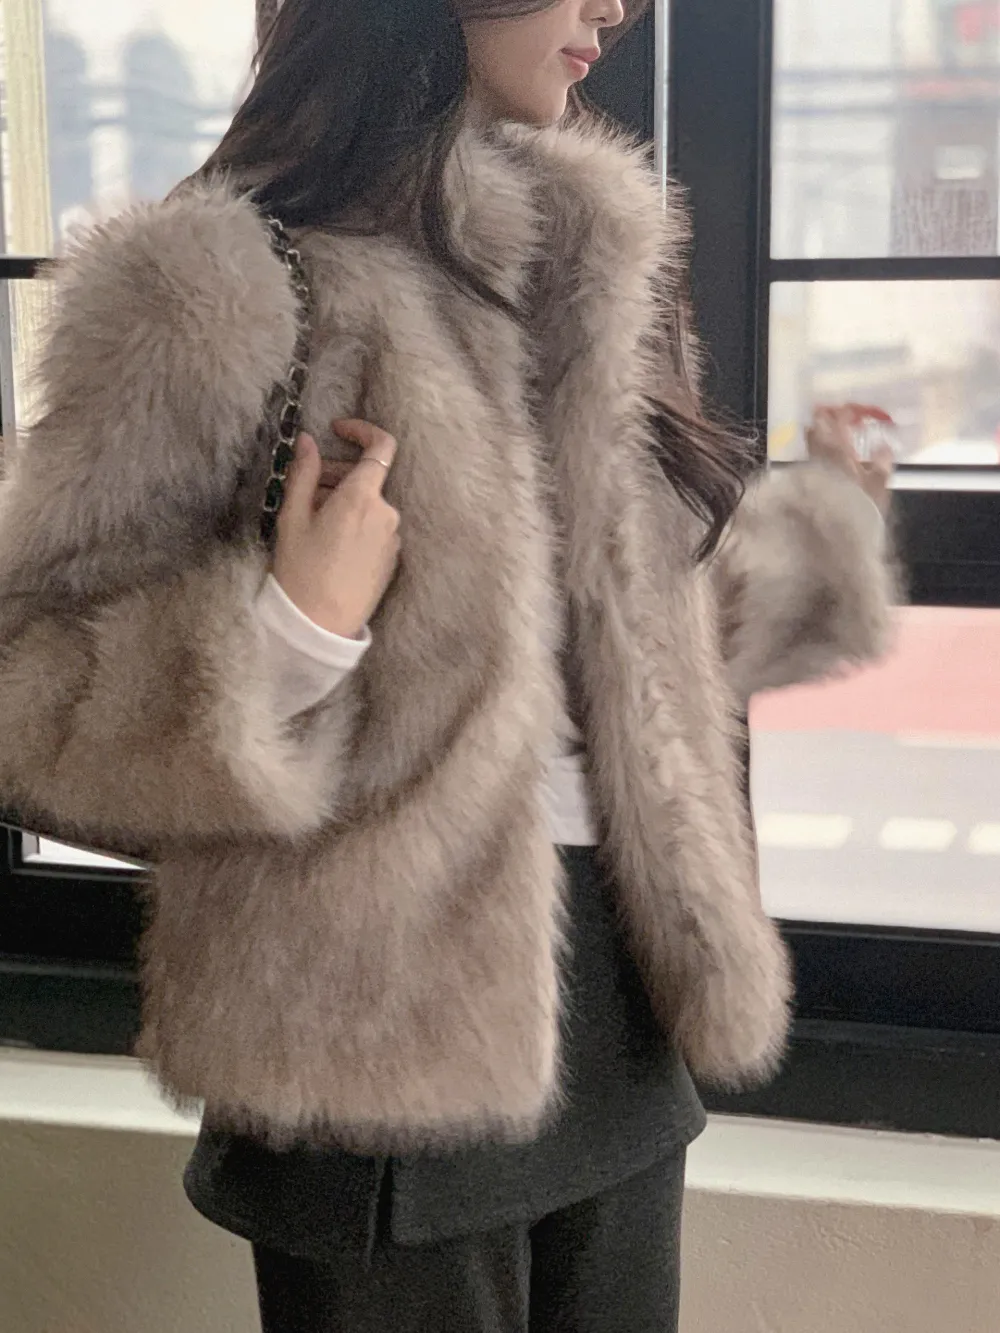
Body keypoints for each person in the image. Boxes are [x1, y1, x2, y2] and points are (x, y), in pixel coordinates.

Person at [0, 2, 897, 1329]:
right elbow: (27, 698)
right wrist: (288, 632)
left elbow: (631, 652)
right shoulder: (211, 284)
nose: (615, 8)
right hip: (366, 1044)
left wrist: (835, 534)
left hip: (622, 1019)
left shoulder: (585, 266)